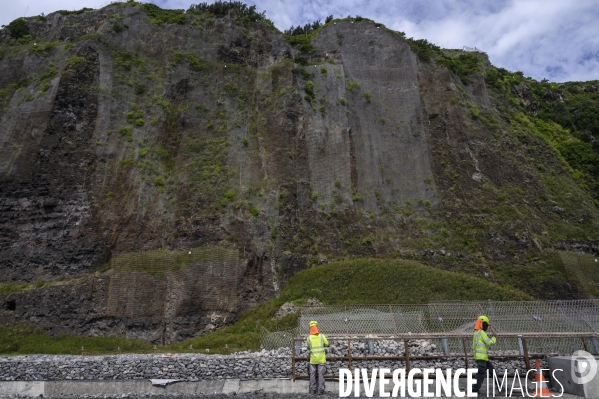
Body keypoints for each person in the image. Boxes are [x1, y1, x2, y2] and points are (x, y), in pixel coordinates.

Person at [472, 315, 497, 396]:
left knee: (492, 371)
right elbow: (489, 342)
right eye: (486, 325)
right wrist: (494, 338)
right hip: (482, 357)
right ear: (483, 324)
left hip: (480, 357)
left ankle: (500, 386)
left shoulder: (476, 333)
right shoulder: (482, 333)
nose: (487, 327)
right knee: (481, 374)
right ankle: (474, 389)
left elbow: (474, 346)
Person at [307, 320, 329, 394]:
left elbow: (308, 347)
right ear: (317, 327)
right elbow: (327, 343)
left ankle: (313, 390)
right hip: (321, 359)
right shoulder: (322, 336)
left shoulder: (309, 338)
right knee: (320, 374)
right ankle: (320, 390)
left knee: (312, 374)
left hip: (313, 359)